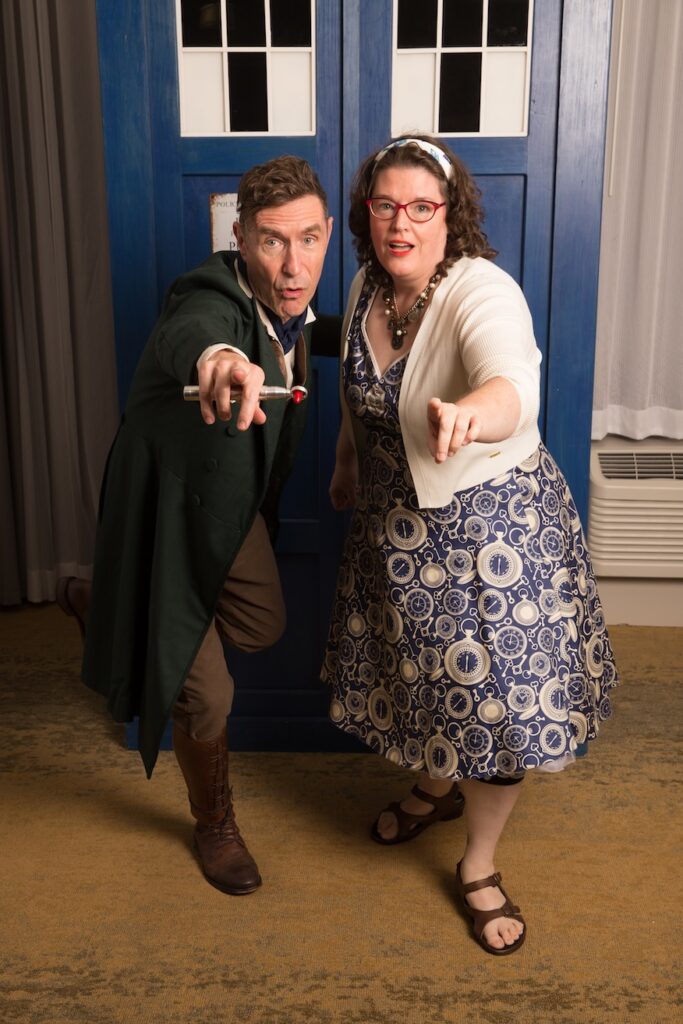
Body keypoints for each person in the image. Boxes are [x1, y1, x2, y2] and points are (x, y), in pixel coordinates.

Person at [321, 135, 618, 955]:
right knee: (421, 680)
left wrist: (468, 414)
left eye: (421, 207)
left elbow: (511, 383)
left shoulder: (481, 289)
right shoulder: (364, 287)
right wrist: (347, 463)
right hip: (396, 532)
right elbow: (357, 396)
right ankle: (432, 783)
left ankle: (477, 864)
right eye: (385, 205)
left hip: (490, 536)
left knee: (499, 707)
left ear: (451, 216)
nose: (400, 223)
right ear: (366, 213)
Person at [57, 155, 335, 897]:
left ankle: (114, 605)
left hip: (225, 511)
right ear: (239, 238)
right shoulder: (207, 295)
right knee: (208, 694)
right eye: (272, 242)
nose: (291, 263)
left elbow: (301, 331)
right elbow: (201, 337)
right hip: (167, 507)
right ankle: (213, 822)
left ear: (328, 233)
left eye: (308, 239)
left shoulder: (297, 311)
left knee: (265, 624)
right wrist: (221, 364)